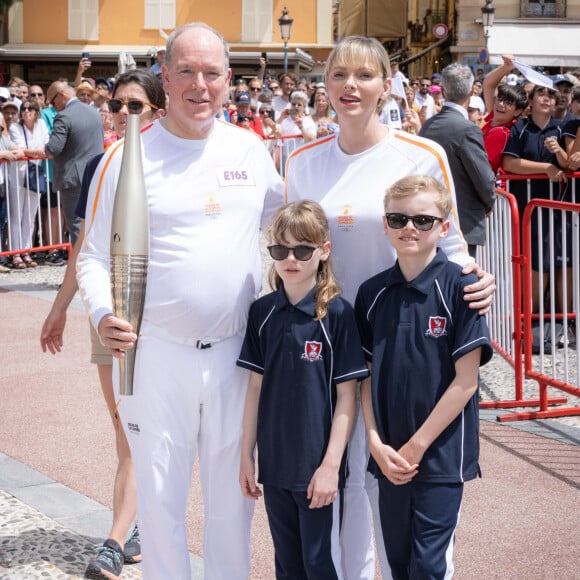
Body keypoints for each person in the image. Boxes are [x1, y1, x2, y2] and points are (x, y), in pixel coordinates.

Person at [77, 23, 284, 579]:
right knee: (161, 501)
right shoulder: (126, 155)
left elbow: (294, 231)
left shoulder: (251, 149)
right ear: (165, 77)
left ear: (228, 80)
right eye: (186, 71)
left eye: (212, 72)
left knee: (232, 505)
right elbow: (92, 255)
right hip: (155, 354)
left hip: (235, 355)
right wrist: (102, 314)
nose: (200, 84)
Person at [285, 35, 495, 580]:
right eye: (338, 75)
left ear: (386, 84)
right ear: (324, 84)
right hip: (327, 349)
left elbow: (450, 247)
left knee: (403, 492)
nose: (350, 86)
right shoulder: (302, 162)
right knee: (341, 493)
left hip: (399, 352)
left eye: (364, 76)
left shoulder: (421, 153)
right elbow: (291, 249)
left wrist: (478, 279)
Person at [41, 68, 166, 580]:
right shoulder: (102, 164)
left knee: (144, 427)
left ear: (158, 110)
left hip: (160, 315)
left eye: (136, 106)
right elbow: (85, 245)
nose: (123, 114)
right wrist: (60, 308)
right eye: (118, 104)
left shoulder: (175, 161)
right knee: (124, 425)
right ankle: (131, 527)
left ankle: (117, 538)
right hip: (108, 310)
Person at [355, 174, 493, 578]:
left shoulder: (462, 287)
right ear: (385, 225)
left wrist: (415, 447)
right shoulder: (372, 293)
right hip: (389, 454)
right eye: (397, 220)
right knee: (398, 563)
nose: (409, 228)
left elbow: (465, 382)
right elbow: (365, 374)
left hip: (440, 456)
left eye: (423, 220)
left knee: (430, 566)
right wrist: (375, 441)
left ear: (444, 227)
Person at [238, 200, 368, 579]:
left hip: (317, 469)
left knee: (319, 563)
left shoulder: (337, 314)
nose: (290, 259)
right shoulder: (262, 313)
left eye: (302, 249)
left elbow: (348, 397)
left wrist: (330, 466)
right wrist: (247, 454)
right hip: (275, 465)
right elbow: (255, 388)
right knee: (287, 565)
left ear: (324, 251)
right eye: (280, 250)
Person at [502, 84, 569, 315]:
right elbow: (509, 163)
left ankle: (555, 319)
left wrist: (558, 153)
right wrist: (546, 167)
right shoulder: (519, 128)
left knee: (555, 264)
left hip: (556, 210)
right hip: (525, 207)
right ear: (530, 101)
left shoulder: (562, 129)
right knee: (531, 263)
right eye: (541, 93)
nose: (547, 98)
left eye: (552, 95)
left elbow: (568, 164)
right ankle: (529, 318)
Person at [420, 63, 496, 258]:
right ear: (472, 91)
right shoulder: (467, 129)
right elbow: (484, 179)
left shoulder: (427, 126)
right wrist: (488, 203)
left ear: (443, 91)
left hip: (430, 218)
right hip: (461, 221)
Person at [44, 81, 104, 246]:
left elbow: (54, 147)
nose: (53, 106)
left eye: (53, 102)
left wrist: (45, 147)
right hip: (96, 174)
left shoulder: (64, 116)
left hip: (73, 179)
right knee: (95, 223)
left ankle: (81, 267)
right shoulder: (94, 112)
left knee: (77, 224)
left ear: (61, 96)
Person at [8, 99, 50, 268]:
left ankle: (26, 251)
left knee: (31, 215)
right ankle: (15, 253)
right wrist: (35, 152)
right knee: (16, 215)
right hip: (18, 174)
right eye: (23, 108)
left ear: (36, 111)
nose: (26, 111)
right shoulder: (15, 127)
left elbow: (46, 145)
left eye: (30, 108)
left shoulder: (41, 125)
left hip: (34, 173)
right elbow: (18, 149)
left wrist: (29, 152)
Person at [481, 55, 527, 174]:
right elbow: (488, 84)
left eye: (508, 102)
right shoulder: (495, 118)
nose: (501, 104)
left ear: (517, 111)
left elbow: (484, 166)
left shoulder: (500, 132)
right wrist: (506, 67)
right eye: (500, 98)